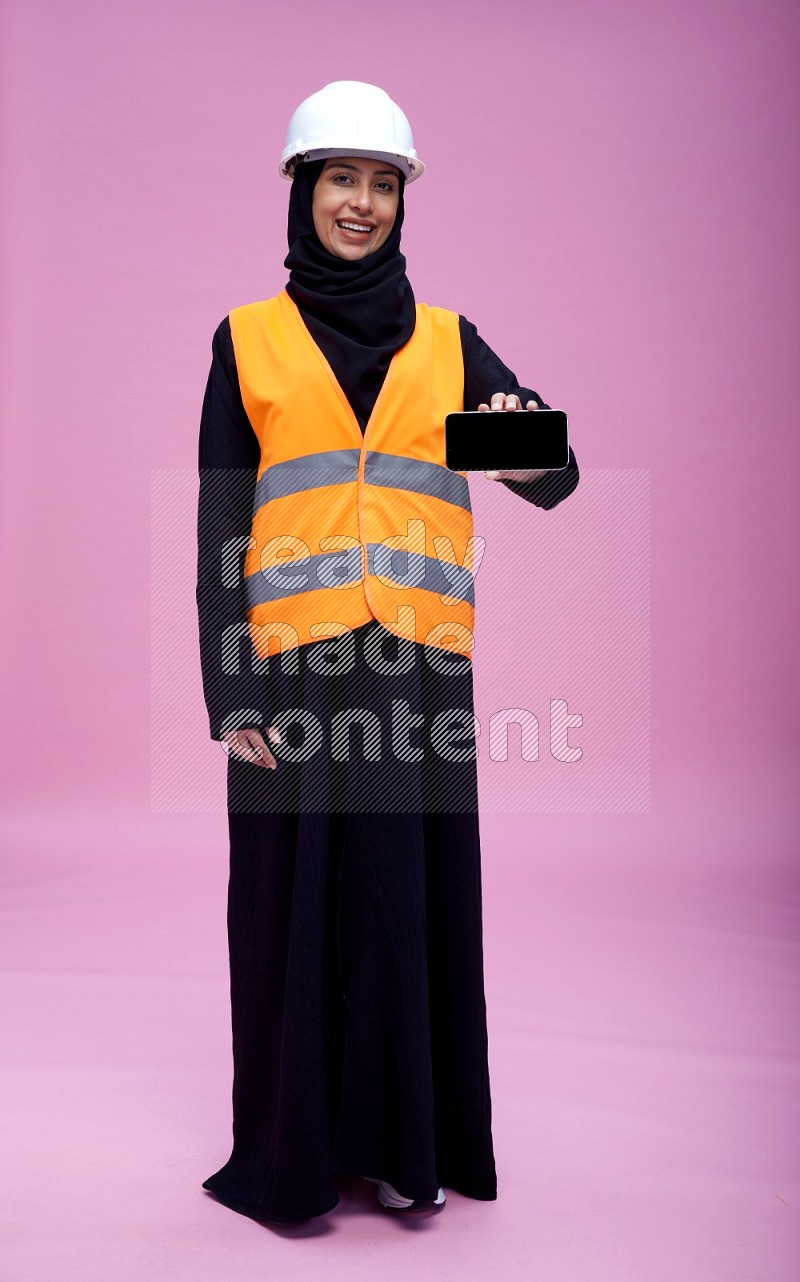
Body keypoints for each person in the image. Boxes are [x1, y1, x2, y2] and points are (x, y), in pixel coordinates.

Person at [196, 80, 579, 1224]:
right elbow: (222, 525)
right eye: (338, 179)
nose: (358, 203)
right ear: (300, 189)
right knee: (286, 911)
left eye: (380, 183)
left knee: (404, 909)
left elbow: (552, 475)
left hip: (416, 675)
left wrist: (515, 444)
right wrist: (230, 695)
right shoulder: (248, 340)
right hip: (292, 670)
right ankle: (292, 1159)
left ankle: (409, 1149)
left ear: (402, 200)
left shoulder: (449, 344)